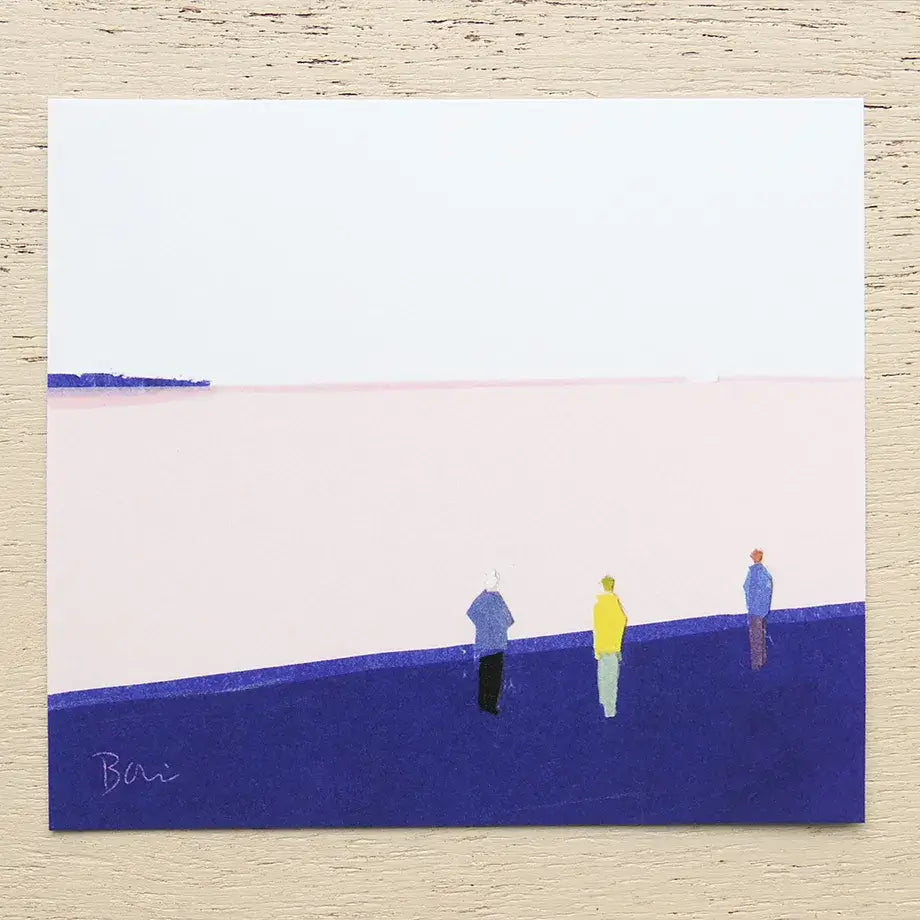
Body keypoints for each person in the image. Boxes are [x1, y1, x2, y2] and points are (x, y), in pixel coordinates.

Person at [466, 570, 514, 714]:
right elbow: (508, 620)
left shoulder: (493, 599)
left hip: (492, 645)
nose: (493, 581)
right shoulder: (488, 600)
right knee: (491, 677)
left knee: (491, 677)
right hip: (492, 645)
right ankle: (487, 704)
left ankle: (488, 704)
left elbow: (508, 620)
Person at [593, 576, 628, 718]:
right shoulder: (615, 605)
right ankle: (610, 710)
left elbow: (597, 629)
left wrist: (597, 649)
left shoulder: (599, 606)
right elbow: (622, 620)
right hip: (613, 649)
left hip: (603, 649)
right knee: (611, 681)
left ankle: (607, 710)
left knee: (604, 680)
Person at [744, 548, 773, 670]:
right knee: (760, 635)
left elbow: (749, 588)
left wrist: (754, 604)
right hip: (760, 609)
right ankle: (761, 660)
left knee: (756, 636)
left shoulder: (756, 573)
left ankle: (757, 663)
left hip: (755, 609)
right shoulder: (762, 572)